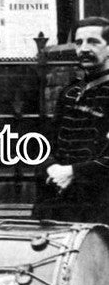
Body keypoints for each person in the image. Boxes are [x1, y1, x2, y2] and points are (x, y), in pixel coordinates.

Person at [34, 16, 109, 224]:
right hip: (60, 198)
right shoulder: (70, 92)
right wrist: (51, 167)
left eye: (93, 42)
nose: (83, 49)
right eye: (79, 42)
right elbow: (47, 143)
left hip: (99, 203)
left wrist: (73, 172)